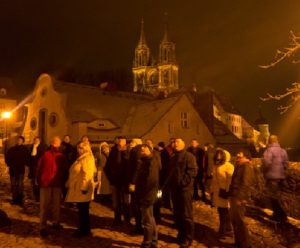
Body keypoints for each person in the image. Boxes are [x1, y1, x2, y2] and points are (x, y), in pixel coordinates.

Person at [167, 138, 197, 248]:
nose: (175, 144)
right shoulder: (173, 157)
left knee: (186, 215)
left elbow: (192, 172)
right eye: (173, 142)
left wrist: (183, 183)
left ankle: (188, 237)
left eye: (177, 142)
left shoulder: (189, 156)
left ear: (183, 144)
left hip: (185, 190)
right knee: (177, 214)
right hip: (174, 190)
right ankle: (181, 234)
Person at [36, 136, 68, 237]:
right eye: (57, 142)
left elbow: (64, 170)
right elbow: (39, 168)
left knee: (53, 205)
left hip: (53, 183)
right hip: (48, 183)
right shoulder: (47, 154)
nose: (58, 144)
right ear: (54, 144)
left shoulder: (60, 156)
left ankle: (53, 223)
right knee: (46, 206)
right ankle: (44, 226)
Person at [130, 144, 160, 248]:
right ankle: (153, 241)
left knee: (147, 220)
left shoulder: (151, 161)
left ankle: (147, 243)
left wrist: (142, 193)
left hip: (147, 195)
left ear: (150, 150)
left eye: (145, 150)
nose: (142, 151)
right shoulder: (144, 161)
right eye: (141, 150)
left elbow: (150, 180)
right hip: (147, 194)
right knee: (150, 218)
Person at [65, 142, 96, 237]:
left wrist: (84, 187)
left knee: (83, 210)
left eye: (81, 148)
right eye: (78, 147)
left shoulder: (87, 159)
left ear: (85, 149)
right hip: (79, 187)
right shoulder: (82, 158)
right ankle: (84, 229)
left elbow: (87, 174)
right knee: (82, 210)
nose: (79, 149)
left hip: (83, 188)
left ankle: (84, 230)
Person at [229, 149, 254, 248]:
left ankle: (246, 245)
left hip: (239, 197)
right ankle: (239, 242)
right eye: (237, 152)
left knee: (240, 221)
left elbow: (245, 184)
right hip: (234, 195)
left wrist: (240, 198)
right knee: (235, 220)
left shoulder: (246, 166)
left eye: (240, 153)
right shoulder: (239, 165)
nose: (237, 154)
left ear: (246, 156)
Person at [104, 136, 130, 226]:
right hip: (115, 182)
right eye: (120, 141)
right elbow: (107, 167)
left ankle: (127, 220)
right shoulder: (113, 152)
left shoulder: (129, 152)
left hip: (126, 182)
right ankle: (117, 220)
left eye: (123, 141)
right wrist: (111, 178)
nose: (121, 142)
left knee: (127, 203)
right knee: (116, 203)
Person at [263, 135, 288, 223]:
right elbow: (285, 164)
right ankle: (277, 214)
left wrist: (264, 172)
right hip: (281, 177)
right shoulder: (283, 151)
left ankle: (281, 215)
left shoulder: (269, 151)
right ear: (277, 141)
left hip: (272, 177)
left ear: (269, 141)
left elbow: (267, 163)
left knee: (273, 197)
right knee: (278, 197)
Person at [211, 148, 234, 239]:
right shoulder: (216, 165)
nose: (218, 156)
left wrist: (227, 192)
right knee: (222, 212)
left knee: (224, 213)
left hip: (224, 192)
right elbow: (214, 180)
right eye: (217, 154)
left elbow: (230, 180)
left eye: (220, 154)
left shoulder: (229, 166)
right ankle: (228, 230)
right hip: (217, 192)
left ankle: (222, 231)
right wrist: (212, 191)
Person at [5, 136, 30, 205]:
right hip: (13, 170)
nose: (19, 141)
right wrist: (9, 164)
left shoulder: (25, 150)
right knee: (13, 185)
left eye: (20, 140)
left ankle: (20, 200)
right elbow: (7, 158)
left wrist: (26, 165)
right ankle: (14, 199)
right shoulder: (12, 149)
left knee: (20, 185)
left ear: (22, 141)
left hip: (20, 170)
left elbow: (27, 159)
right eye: (18, 140)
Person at [28, 136, 47, 201]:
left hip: (40, 167)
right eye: (35, 140)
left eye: (37, 140)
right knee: (34, 182)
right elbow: (29, 157)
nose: (35, 141)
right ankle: (36, 196)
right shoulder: (31, 147)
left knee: (39, 182)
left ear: (39, 140)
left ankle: (40, 196)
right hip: (33, 167)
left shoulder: (43, 146)